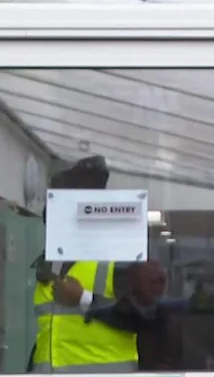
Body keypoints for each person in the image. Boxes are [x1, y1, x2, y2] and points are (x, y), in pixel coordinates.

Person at [29, 156, 166, 373]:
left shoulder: (121, 257)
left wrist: (84, 299)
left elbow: (146, 318)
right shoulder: (51, 263)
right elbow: (49, 336)